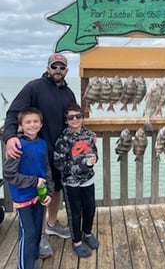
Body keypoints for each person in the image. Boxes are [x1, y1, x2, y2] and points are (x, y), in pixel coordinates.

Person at [2, 53, 77, 258]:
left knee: (55, 190)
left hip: (61, 154)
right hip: (37, 152)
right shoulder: (34, 87)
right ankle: (40, 234)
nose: (58, 71)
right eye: (55, 67)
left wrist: (83, 140)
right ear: (48, 68)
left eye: (62, 68)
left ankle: (52, 224)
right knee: (39, 191)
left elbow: (73, 120)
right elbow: (12, 113)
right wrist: (9, 137)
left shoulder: (69, 93)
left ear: (66, 71)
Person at [3, 107, 54, 269]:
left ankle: (30, 261)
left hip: (40, 195)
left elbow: (46, 170)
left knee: (37, 230)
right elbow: (9, 174)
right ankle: (24, 266)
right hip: (22, 197)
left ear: (41, 124)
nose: (32, 125)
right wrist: (33, 181)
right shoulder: (17, 145)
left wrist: (50, 192)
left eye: (35, 122)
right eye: (28, 122)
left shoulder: (42, 143)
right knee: (28, 233)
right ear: (21, 125)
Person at [54, 103, 99, 258]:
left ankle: (87, 233)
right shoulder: (63, 139)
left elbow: (95, 155)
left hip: (88, 180)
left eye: (78, 116)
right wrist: (80, 166)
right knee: (74, 213)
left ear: (83, 118)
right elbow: (58, 163)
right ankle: (77, 242)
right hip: (71, 182)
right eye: (70, 117)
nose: (74, 119)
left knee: (90, 208)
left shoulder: (90, 135)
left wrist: (94, 159)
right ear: (66, 120)